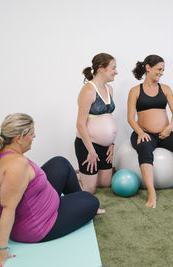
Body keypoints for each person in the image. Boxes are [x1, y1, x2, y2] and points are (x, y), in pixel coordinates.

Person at [0, 113, 99, 267]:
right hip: (39, 226)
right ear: (19, 138)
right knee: (91, 201)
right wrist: (0, 250)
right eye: (31, 133)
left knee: (60, 163)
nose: (34, 136)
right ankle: (78, 202)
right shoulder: (17, 165)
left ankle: (75, 201)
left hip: (36, 207)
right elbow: (8, 207)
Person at [127, 54, 173, 208]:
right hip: (143, 132)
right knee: (144, 147)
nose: (161, 73)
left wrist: (169, 128)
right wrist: (140, 132)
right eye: (159, 69)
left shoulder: (165, 89)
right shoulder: (135, 91)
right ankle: (152, 193)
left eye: (163, 70)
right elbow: (131, 118)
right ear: (148, 68)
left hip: (164, 133)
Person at [75, 53, 117, 203]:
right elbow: (80, 123)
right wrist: (91, 151)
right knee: (90, 190)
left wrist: (111, 143)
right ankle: (73, 179)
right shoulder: (88, 90)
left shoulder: (110, 89)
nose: (116, 71)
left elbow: (108, 118)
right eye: (113, 68)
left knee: (106, 183)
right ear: (101, 68)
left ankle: (84, 176)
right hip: (88, 145)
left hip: (105, 147)